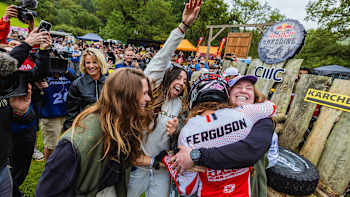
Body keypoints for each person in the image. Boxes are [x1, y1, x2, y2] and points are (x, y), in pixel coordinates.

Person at [36, 68, 154, 197]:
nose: (148, 98)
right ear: (126, 96)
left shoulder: (122, 125)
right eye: (144, 93)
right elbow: (46, 191)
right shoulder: (77, 143)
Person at [127, 1, 201, 196]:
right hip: (138, 163)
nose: (181, 82)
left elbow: (185, 137)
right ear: (168, 78)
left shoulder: (182, 105)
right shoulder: (151, 94)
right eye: (178, 77)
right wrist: (183, 27)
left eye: (185, 80)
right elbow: (161, 58)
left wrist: (177, 130)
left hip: (162, 168)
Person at [159, 73, 275, 196]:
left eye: (249, 88)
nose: (243, 91)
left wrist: (188, 157)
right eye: (238, 87)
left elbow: (187, 189)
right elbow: (271, 107)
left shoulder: (188, 131)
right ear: (227, 94)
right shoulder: (247, 115)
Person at [0, 27, 50, 197]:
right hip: (7, 140)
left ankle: (15, 188)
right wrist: (27, 43)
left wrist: (44, 51)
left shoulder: (19, 74)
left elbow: (40, 72)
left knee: (19, 169)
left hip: (21, 132)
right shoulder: (5, 73)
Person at [63, 48, 107, 131]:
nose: (91, 66)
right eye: (88, 63)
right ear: (84, 64)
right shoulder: (77, 84)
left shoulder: (110, 83)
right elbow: (71, 113)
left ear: (100, 63)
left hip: (105, 129)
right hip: (85, 129)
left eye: (94, 62)